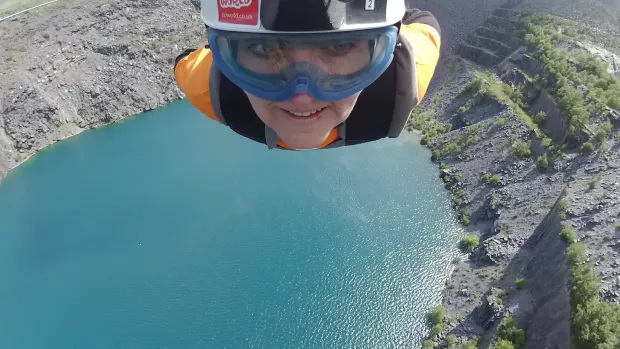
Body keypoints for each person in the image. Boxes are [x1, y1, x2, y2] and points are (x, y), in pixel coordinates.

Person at [174, 0, 441, 150]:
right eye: (265, 48)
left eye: (339, 46)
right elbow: (425, 20)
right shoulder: (411, 75)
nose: (303, 97)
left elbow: (182, 60)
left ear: (383, 52)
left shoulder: (206, 89)